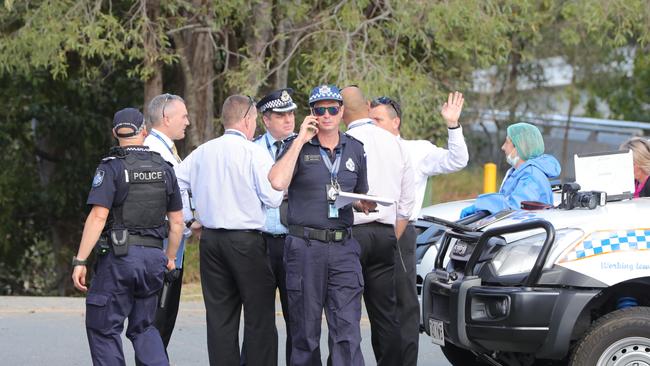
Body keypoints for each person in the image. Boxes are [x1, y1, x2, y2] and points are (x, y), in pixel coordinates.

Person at [269, 84, 373, 366]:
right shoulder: (297, 146)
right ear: (311, 113)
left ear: (341, 112)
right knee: (305, 332)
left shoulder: (355, 149)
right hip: (305, 248)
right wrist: (301, 138)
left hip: (343, 247)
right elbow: (277, 182)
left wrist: (361, 204)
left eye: (332, 108)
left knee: (347, 332)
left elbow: (358, 194)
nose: (326, 114)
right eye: (319, 109)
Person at [175, 95, 283, 366]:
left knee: (220, 317)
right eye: (255, 120)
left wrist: (190, 219)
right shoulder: (255, 152)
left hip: (211, 241)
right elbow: (273, 198)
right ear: (247, 119)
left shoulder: (203, 151)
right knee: (259, 316)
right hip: (246, 241)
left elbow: (174, 181)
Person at [71, 108, 184, 366]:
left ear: (115, 133)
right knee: (145, 328)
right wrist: (169, 258)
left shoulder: (111, 167)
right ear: (143, 130)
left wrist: (80, 260)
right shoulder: (164, 167)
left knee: (103, 327)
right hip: (154, 259)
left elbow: (99, 217)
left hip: (120, 260)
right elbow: (176, 222)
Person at [368, 92, 468, 365]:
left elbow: (457, 161)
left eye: (377, 120)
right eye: (369, 120)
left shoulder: (416, 150)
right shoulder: (362, 149)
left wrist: (452, 125)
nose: (372, 125)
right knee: (378, 307)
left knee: (405, 305)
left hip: (401, 233)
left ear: (395, 122)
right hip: (367, 233)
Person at [340, 86, 415, 366]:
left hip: (352, 233)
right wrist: (391, 233)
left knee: (346, 312)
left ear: (342, 111)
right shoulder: (395, 143)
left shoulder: (345, 141)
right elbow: (406, 202)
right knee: (386, 314)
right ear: (368, 105)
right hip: (385, 233)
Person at [141, 93, 191, 361]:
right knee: (156, 323)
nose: (188, 121)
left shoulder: (166, 150)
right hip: (162, 251)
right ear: (166, 118)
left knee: (162, 324)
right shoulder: (154, 152)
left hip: (172, 248)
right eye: (183, 116)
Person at [253, 88, 297, 365]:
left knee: (298, 317)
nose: (288, 120)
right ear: (265, 119)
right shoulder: (252, 149)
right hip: (259, 242)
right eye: (281, 115)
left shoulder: (305, 146)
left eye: (291, 113)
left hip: (294, 241)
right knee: (259, 317)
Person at [460, 122, 561, 217]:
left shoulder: (531, 176)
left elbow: (515, 207)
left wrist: (481, 205)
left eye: (507, 142)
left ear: (519, 147)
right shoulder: (522, 172)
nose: (503, 147)